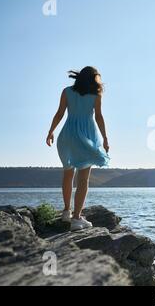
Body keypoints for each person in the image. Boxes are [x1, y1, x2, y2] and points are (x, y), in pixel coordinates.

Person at [46, 66, 110, 230]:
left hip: (67, 135)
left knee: (68, 174)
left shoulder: (67, 91)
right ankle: (76, 219)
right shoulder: (95, 95)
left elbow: (59, 113)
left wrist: (51, 131)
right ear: (94, 78)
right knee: (83, 179)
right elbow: (99, 117)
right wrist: (105, 138)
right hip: (86, 136)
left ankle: (66, 211)